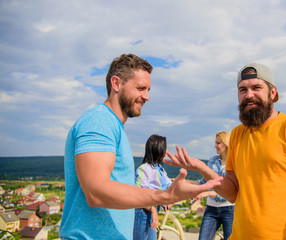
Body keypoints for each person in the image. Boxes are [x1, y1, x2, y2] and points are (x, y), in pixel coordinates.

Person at [59, 53, 222, 240]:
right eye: (141, 88)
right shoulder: (100, 120)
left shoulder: (112, 126)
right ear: (116, 83)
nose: (147, 97)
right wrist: (166, 196)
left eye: (148, 90)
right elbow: (96, 192)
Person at [165, 63, 286, 240]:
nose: (249, 95)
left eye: (257, 88)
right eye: (243, 90)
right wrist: (202, 168)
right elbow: (232, 193)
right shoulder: (237, 134)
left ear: (273, 93)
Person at [196, 131, 234, 240]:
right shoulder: (213, 160)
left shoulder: (235, 162)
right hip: (211, 209)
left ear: (226, 144)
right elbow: (204, 182)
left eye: (218, 143)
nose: (215, 146)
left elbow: (229, 192)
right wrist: (187, 183)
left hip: (229, 209)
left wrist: (207, 193)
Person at [133, 134, 172, 240]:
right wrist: (153, 210)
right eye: (165, 148)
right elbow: (138, 194)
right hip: (143, 212)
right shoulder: (144, 169)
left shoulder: (160, 169)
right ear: (158, 150)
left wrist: (169, 200)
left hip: (152, 211)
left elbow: (169, 185)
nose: (166, 152)